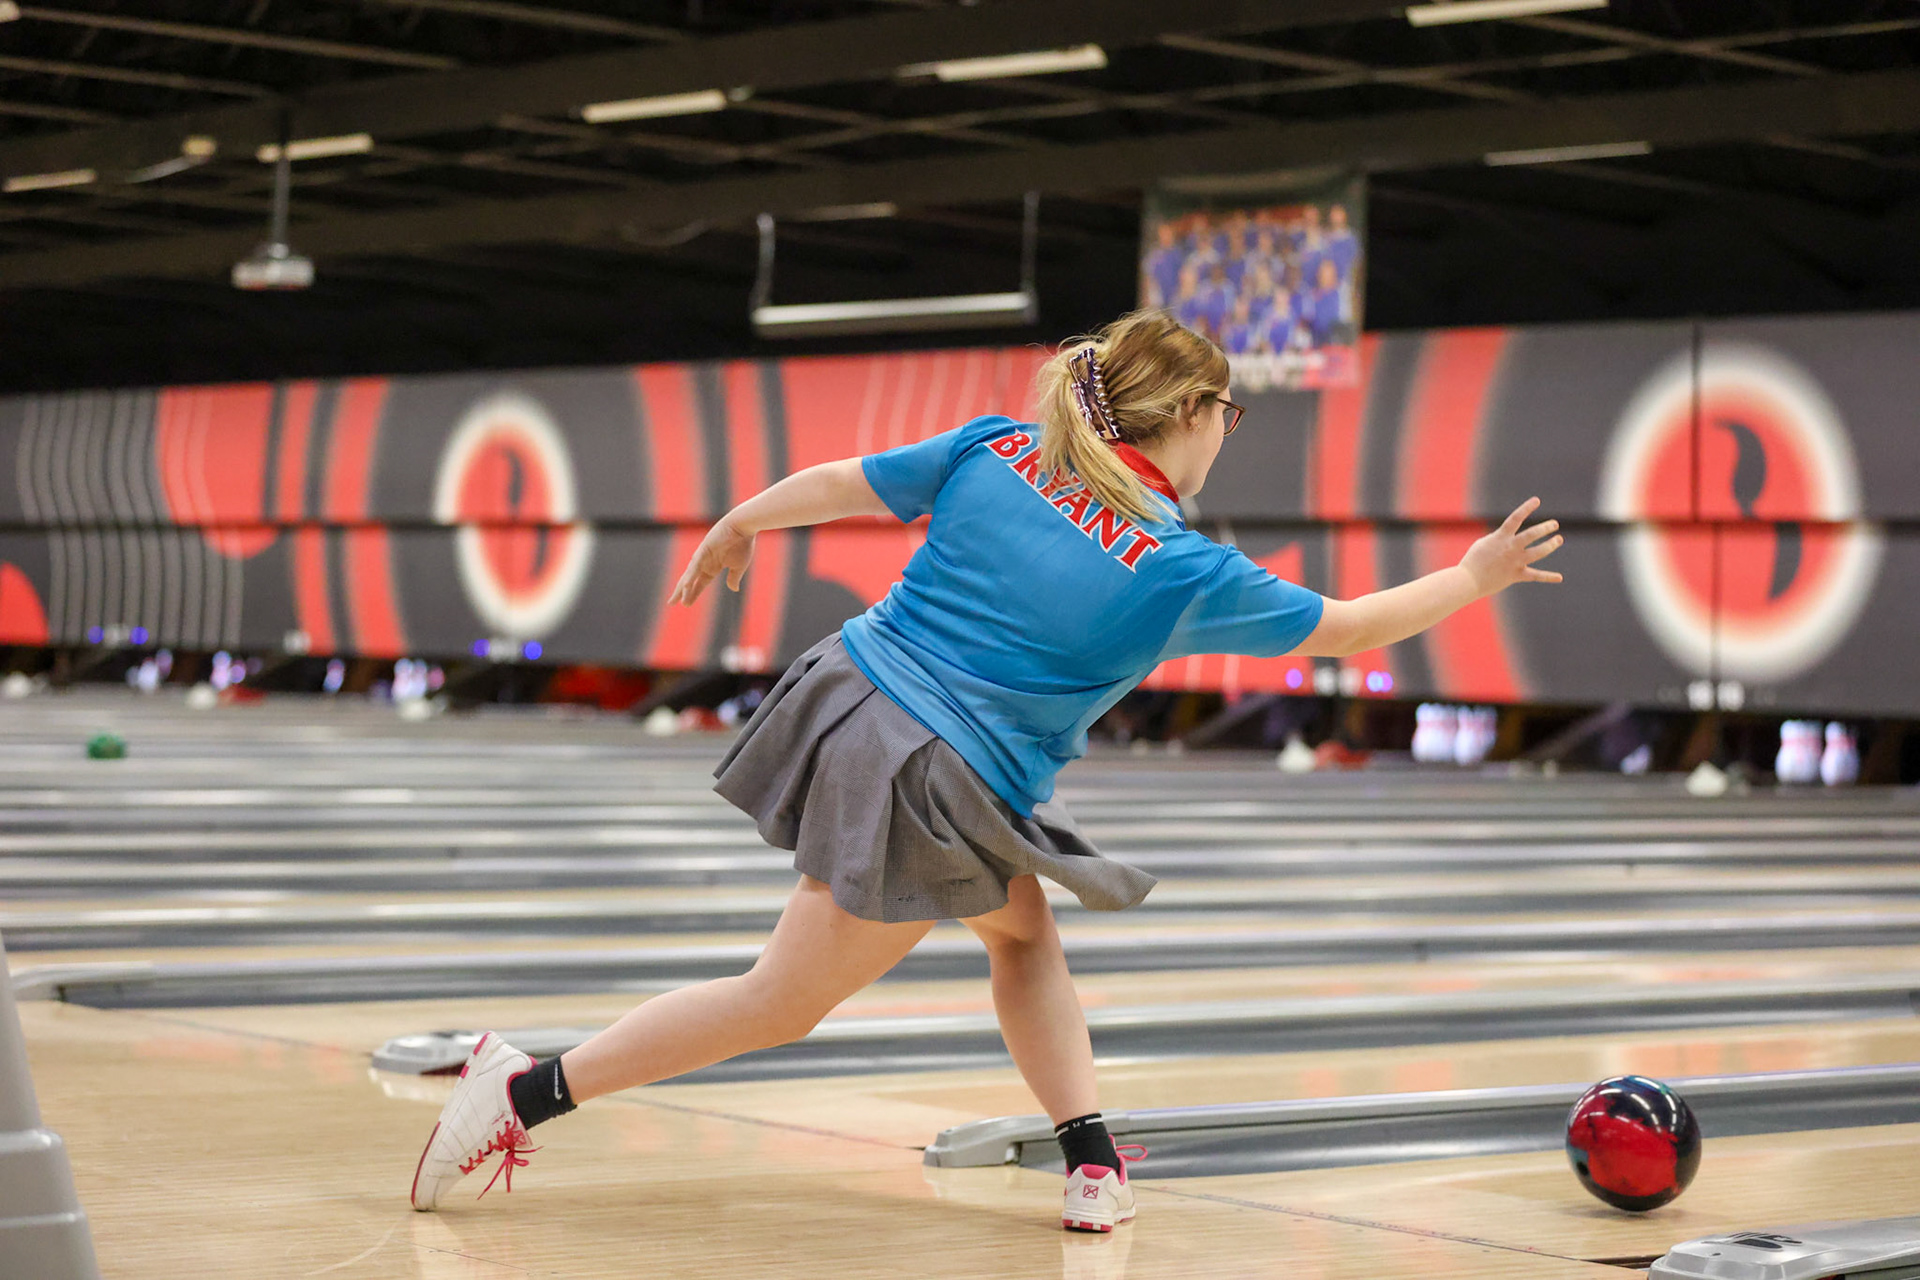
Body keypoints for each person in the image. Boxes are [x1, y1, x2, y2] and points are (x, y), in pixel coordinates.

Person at [408, 309, 1564, 1231]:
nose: (1230, 429)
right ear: (1192, 411)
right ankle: (520, 1090)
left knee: (1022, 933)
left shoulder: (997, 448)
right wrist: (1473, 575)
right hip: (933, 764)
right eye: (1231, 411)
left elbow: (843, 484)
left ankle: (1094, 1157)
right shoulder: (1177, 563)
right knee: (783, 997)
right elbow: (1353, 628)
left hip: (856, 692)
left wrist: (742, 519)